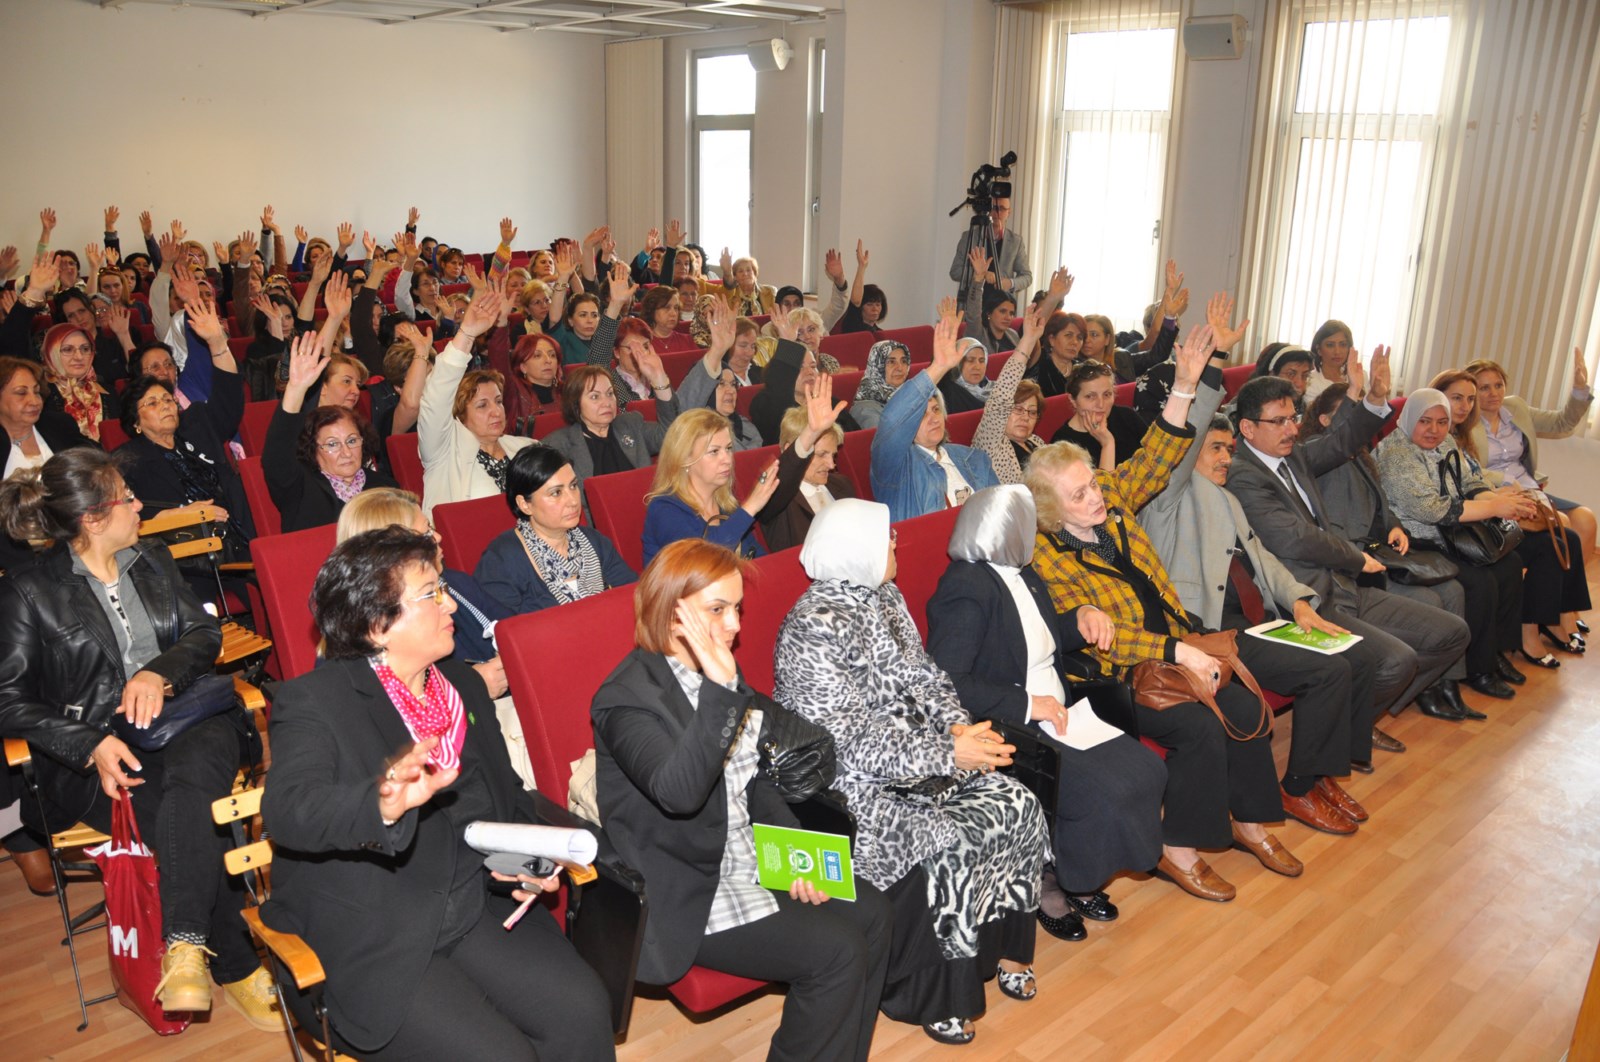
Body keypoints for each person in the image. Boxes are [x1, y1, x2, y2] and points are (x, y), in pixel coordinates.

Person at [262, 528, 614, 1060]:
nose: (450, 604)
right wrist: (380, 804)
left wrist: (527, 858)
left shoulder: (461, 686)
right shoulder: (316, 700)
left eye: (442, 588)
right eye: (430, 594)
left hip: (473, 902)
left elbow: (505, 796)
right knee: (499, 1056)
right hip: (379, 927)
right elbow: (289, 810)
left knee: (584, 1009)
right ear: (377, 624)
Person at [1029, 323, 1306, 899]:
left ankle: (1251, 823)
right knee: (1199, 727)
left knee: (1244, 701)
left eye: (1093, 484)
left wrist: (1184, 385)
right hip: (1119, 676)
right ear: (1051, 508)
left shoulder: (1111, 504)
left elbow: (1155, 458)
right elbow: (1105, 636)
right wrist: (1178, 651)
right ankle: (1177, 850)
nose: (1096, 496)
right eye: (1080, 494)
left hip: (1178, 649)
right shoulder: (1045, 552)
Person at [0, 449, 275, 1027]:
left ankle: (187, 946)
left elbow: (202, 631)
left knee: (193, 786)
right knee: (193, 814)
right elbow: (8, 698)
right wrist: (88, 744)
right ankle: (231, 963)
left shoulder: (150, 556)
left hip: (189, 718)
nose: (140, 504)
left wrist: (158, 674)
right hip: (100, 752)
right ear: (94, 518)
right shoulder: (30, 591)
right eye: (127, 497)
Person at [591, 538, 891, 1062]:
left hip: (745, 854)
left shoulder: (719, 674)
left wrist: (793, 852)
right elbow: (679, 795)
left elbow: (753, 781)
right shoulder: (625, 699)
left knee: (876, 914)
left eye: (737, 608)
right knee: (838, 953)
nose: (733, 624)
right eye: (718, 610)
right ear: (673, 613)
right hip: (686, 885)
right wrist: (722, 689)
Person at [775, 500, 1047, 1046]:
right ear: (857, 550)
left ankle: (1005, 950)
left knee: (1016, 802)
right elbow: (849, 745)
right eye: (887, 537)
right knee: (948, 839)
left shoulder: (886, 596)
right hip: (856, 786)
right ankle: (936, 995)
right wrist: (948, 755)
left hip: (925, 754)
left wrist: (956, 728)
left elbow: (928, 678)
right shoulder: (812, 629)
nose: (896, 543)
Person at [1138, 369, 1393, 825]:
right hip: (1214, 630)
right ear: (1190, 455)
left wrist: (1298, 601)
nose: (1226, 458)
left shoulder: (1227, 499)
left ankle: (1324, 773)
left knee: (1357, 657)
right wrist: (1205, 372)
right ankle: (1299, 788)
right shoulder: (1168, 500)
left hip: (1260, 620)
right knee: (1327, 672)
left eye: (1229, 449)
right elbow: (1182, 444)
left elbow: (1264, 560)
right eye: (1215, 449)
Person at [926, 485, 1166, 939]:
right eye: (1027, 523)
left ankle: (1080, 873)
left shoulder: (1024, 572)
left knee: (1146, 771)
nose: (1035, 533)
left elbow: (1038, 635)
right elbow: (948, 681)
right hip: (1010, 724)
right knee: (1102, 792)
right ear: (1004, 529)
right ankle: (1050, 881)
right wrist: (1028, 704)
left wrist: (1079, 618)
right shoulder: (965, 588)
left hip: (1060, 711)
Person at [1228, 360, 1475, 723]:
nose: (1292, 429)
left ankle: (1358, 717)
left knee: (1453, 632)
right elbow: (1295, 539)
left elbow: (1341, 441)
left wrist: (1372, 398)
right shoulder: (1243, 475)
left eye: (1293, 418)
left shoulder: (1292, 456)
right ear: (1248, 427)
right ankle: (1351, 727)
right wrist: (1355, 558)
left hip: (1343, 585)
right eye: (1278, 421)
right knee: (1397, 660)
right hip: (1308, 599)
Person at [1376, 389, 1590, 677]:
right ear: (1409, 417)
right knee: (1482, 580)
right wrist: (1494, 507)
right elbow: (1431, 510)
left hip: (1454, 531)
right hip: (1419, 539)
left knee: (1511, 563)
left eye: (1441, 422)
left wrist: (1503, 502)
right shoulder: (1397, 454)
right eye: (1425, 421)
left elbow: (1470, 481)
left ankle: (1500, 650)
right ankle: (1478, 668)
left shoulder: (1446, 441)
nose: (1434, 430)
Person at [1300, 384, 1492, 700]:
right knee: (1430, 600)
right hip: (1350, 567)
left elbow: (1381, 503)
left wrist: (1395, 527)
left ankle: (1445, 683)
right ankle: (1415, 689)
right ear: (1324, 421)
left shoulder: (1359, 455)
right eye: (1349, 416)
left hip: (1379, 552)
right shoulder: (1315, 458)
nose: (1358, 424)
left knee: (1454, 591)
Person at [641, 378, 843, 567]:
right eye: (714, 451)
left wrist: (811, 433)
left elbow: (759, 562)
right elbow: (706, 559)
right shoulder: (664, 508)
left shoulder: (726, 506)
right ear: (684, 458)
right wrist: (751, 506)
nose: (727, 459)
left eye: (729, 448)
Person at [1465, 352, 1597, 567]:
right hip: (1497, 492)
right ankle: (1551, 584)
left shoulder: (1516, 407)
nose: (1494, 393)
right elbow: (1468, 469)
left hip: (1530, 488)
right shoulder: (1465, 421)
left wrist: (1580, 389)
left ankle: (1568, 585)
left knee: (1585, 518)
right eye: (1484, 388)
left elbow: (1562, 422)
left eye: (1498, 385)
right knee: (1562, 524)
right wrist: (1508, 480)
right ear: (1471, 391)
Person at [418, 282, 538, 514]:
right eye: (482, 405)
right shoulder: (443, 452)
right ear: (460, 414)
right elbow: (436, 399)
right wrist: (467, 333)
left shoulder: (527, 448)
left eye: (498, 401)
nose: (496, 411)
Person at [475, 447, 637, 615]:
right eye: (556, 493)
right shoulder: (501, 560)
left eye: (573, 486)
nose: (573, 501)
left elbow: (634, 597)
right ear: (525, 505)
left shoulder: (594, 542)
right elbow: (502, 627)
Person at [869, 315, 1000, 522]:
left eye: (936, 410)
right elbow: (893, 420)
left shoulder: (975, 458)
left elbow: (1001, 514)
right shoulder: (895, 467)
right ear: (908, 423)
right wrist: (939, 367)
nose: (934, 419)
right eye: (922, 415)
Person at [265, 334, 399, 533]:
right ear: (313, 449)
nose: (346, 452)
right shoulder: (300, 489)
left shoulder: (386, 488)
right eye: (332, 444)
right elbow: (277, 452)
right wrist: (295, 389)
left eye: (352, 441)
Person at [542, 365, 678, 490]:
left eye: (609, 393)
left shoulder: (631, 425)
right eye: (595, 397)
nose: (606, 402)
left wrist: (659, 380)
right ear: (576, 404)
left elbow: (672, 435)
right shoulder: (559, 444)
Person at [760, 405, 856, 553]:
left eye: (833, 455)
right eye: (822, 454)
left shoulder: (842, 484)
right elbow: (785, 477)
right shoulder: (776, 497)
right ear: (790, 450)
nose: (831, 465)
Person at [673, 299, 760, 448]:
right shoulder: (693, 429)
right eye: (721, 384)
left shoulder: (746, 427)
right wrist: (717, 350)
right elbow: (686, 402)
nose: (730, 390)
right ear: (707, 390)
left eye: (733, 384)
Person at [1050, 360, 1146, 469]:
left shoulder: (1126, 416)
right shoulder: (1063, 444)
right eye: (1090, 396)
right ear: (1073, 400)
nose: (1101, 404)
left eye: (1107, 394)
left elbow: (1156, 456)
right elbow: (1104, 481)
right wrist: (1107, 442)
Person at [39, 321, 119, 443]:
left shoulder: (109, 392)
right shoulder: (40, 395)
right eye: (67, 349)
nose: (79, 357)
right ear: (51, 353)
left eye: (85, 349)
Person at [949, 195, 1031, 304]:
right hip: (972, 304)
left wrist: (1010, 283)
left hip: (1001, 306)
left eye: (1002, 208)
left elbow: (1027, 276)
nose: (997, 213)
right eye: (993, 207)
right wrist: (980, 274)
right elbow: (955, 271)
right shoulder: (969, 237)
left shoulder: (1016, 241)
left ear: (1009, 212)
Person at [850, 340, 913, 430]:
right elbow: (885, 438)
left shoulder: (912, 394)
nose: (900, 368)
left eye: (904, 361)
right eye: (891, 362)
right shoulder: (865, 410)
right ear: (876, 366)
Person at [1303, 319, 1354, 403]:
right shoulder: (1310, 381)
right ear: (1319, 349)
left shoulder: (1360, 375)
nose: (1337, 351)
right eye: (1330, 345)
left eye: (1343, 345)